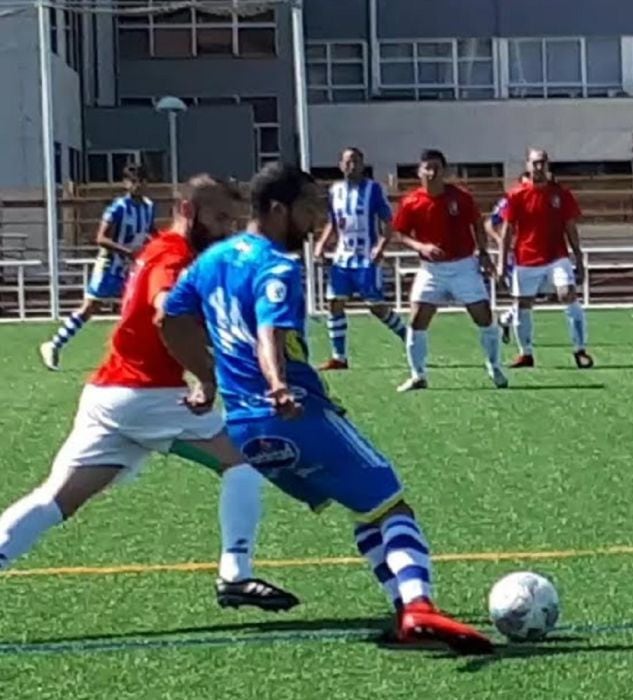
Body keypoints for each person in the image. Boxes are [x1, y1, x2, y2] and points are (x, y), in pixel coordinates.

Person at [161, 163, 494, 655]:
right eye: (310, 207)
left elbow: (171, 319)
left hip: (246, 429)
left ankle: (405, 611)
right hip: (295, 415)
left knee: (365, 511)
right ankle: (419, 604)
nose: (318, 219)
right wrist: (277, 384)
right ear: (278, 209)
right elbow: (270, 334)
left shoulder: (212, 260)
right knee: (392, 502)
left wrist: (206, 378)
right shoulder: (276, 266)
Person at [2, 175, 298, 611]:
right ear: (187, 211)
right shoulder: (173, 257)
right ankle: (235, 574)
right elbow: (166, 315)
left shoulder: (162, 250)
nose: (224, 229)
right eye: (218, 218)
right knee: (245, 461)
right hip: (147, 395)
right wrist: (209, 377)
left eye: (231, 220)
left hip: (110, 395)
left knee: (56, 500)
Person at [392, 149, 507, 392]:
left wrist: (483, 253)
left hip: (464, 265)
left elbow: (477, 223)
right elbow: (400, 233)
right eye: (427, 168)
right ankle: (418, 375)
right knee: (416, 320)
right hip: (431, 270)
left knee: (484, 317)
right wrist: (421, 245)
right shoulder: (411, 201)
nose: (432, 172)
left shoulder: (461, 198)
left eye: (436, 167)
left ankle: (494, 365)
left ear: (444, 171)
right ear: (419, 171)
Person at [40, 163, 155, 370]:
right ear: (126, 184)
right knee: (91, 307)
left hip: (132, 267)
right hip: (111, 265)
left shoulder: (148, 207)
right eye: (134, 181)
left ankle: (132, 356)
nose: (139, 185)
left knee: (137, 308)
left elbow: (151, 231)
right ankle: (54, 344)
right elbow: (101, 238)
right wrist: (128, 252)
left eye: (142, 181)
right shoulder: (118, 208)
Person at [499, 148, 594, 369]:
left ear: (547, 165)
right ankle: (526, 354)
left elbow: (570, 227)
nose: (538, 167)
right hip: (526, 259)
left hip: (556, 256)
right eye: (535, 163)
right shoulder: (516, 195)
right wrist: (502, 263)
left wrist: (578, 258)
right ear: (528, 165)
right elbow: (507, 230)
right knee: (522, 304)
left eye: (542, 162)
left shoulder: (561, 194)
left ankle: (580, 349)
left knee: (567, 294)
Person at [315, 147, 407, 370]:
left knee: (375, 306)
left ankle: (409, 336)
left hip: (366, 257)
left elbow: (388, 222)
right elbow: (333, 222)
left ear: (362, 164)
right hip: (342, 257)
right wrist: (321, 244)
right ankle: (339, 357)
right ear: (340, 165)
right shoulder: (335, 191)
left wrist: (381, 246)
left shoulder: (374, 189)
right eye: (347, 162)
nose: (351, 166)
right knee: (335, 302)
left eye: (355, 161)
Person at [485, 173, 530, 345]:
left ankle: (505, 319)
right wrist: (499, 240)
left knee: (529, 296)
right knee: (525, 297)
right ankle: (511, 324)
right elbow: (489, 224)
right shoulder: (509, 202)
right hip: (514, 257)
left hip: (533, 254)